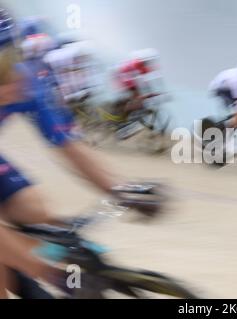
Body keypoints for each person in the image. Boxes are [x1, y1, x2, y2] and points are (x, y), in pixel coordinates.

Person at [0, 10, 143, 299]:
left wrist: (122, 190)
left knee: (35, 211)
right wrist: (54, 275)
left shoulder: (23, 81)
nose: (10, 77)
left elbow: (69, 144)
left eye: (9, 60)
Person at [115, 48, 165, 118]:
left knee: (143, 93)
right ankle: (124, 115)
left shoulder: (144, 65)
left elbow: (154, 77)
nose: (150, 62)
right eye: (150, 60)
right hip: (125, 77)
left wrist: (162, 91)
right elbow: (139, 80)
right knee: (138, 94)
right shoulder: (137, 63)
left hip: (129, 77)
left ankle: (137, 109)